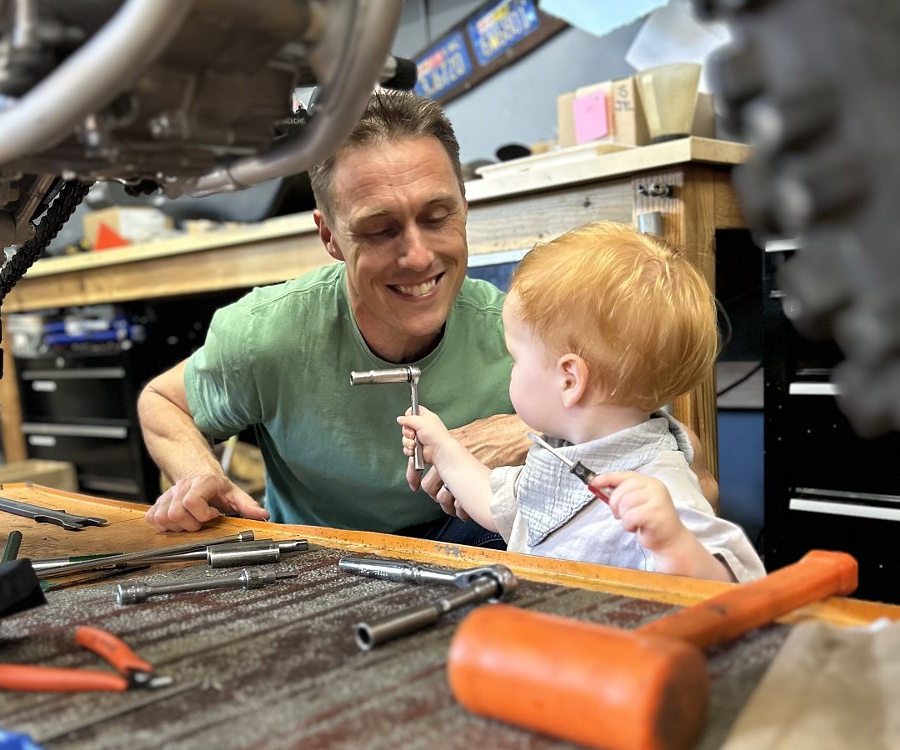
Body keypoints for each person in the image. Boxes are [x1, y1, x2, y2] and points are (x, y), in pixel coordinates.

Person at [138, 90, 718, 548]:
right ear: (329, 236)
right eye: (379, 228)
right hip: (319, 568)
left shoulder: (527, 336)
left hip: (471, 559)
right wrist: (195, 478)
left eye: (437, 217)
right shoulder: (266, 333)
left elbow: (689, 472)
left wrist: (534, 436)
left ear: (465, 209)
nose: (417, 256)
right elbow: (161, 402)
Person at [398, 222, 764, 581]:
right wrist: (442, 447)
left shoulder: (658, 485)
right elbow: (493, 504)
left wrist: (673, 543)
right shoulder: (564, 453)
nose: (511, 369)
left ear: (569, 379)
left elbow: (730, 584)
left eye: (516, 358)